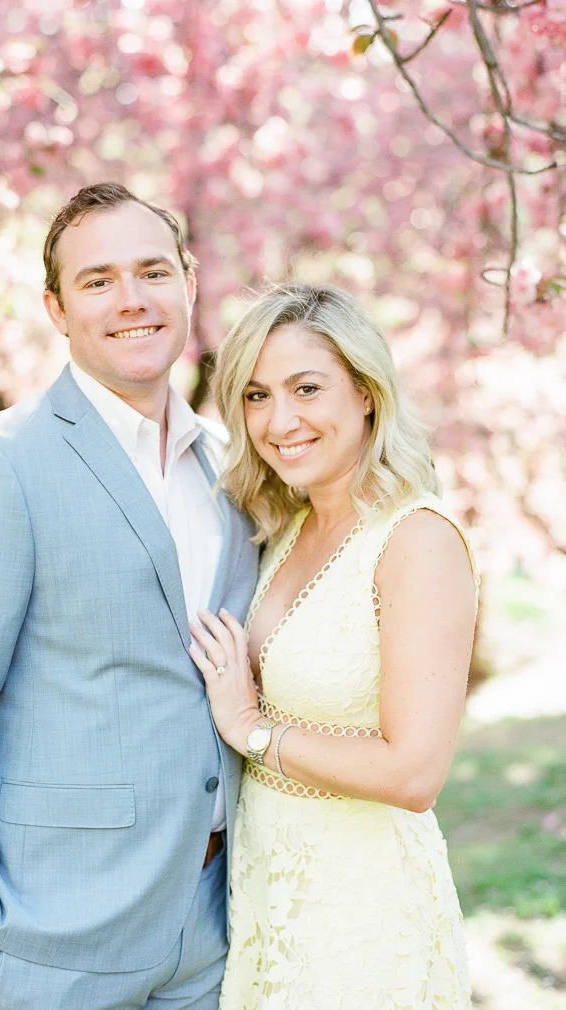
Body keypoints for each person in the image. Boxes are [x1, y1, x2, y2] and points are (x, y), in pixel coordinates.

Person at [0, 182, 259, 1010]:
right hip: (55, 942)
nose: (132, 300)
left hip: (216, 929)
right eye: (98, 281)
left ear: (190, 283)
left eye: (153, 272)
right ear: (56, 308)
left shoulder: (233, 465)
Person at [188, 284, 477, 1008]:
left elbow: (415, 773)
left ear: (367, 393)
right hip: (267, 901)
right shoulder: (284, 529)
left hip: (364, 914)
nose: (279, 420)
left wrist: (251, 728)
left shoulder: (416, 538)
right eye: (256, 396)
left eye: (307, 389)